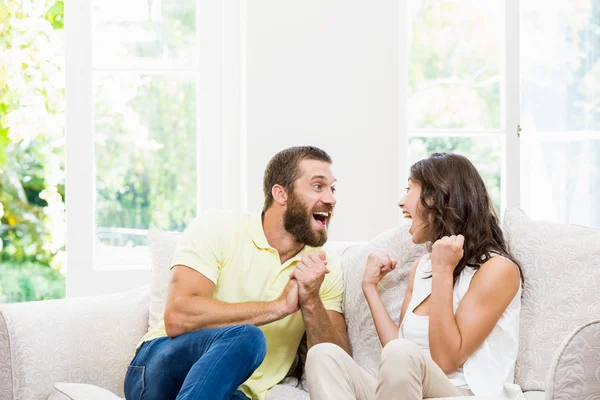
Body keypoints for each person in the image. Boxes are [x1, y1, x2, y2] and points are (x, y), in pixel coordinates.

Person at [124, 146, 350, 400]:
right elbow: (178, 316)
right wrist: (278, 307)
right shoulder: (219, 228)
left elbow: (338, 367)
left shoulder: (323, 265)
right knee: (247, 338)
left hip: (231, 392)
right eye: (318, 186)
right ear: (281, 193)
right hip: (160, 367)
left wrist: (311, 300)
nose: (331, 199)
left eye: (333, 189)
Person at [306, 153, 524, 399]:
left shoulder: (497, 269)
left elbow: (446, 360)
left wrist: (443, 271)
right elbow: (396, 350)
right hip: (410, 391)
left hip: (464, 393)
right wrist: (370, 288)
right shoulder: (424, 265)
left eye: (409, 188)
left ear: (435, 198)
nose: (401, 202)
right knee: (323, 355)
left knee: (401, 352)